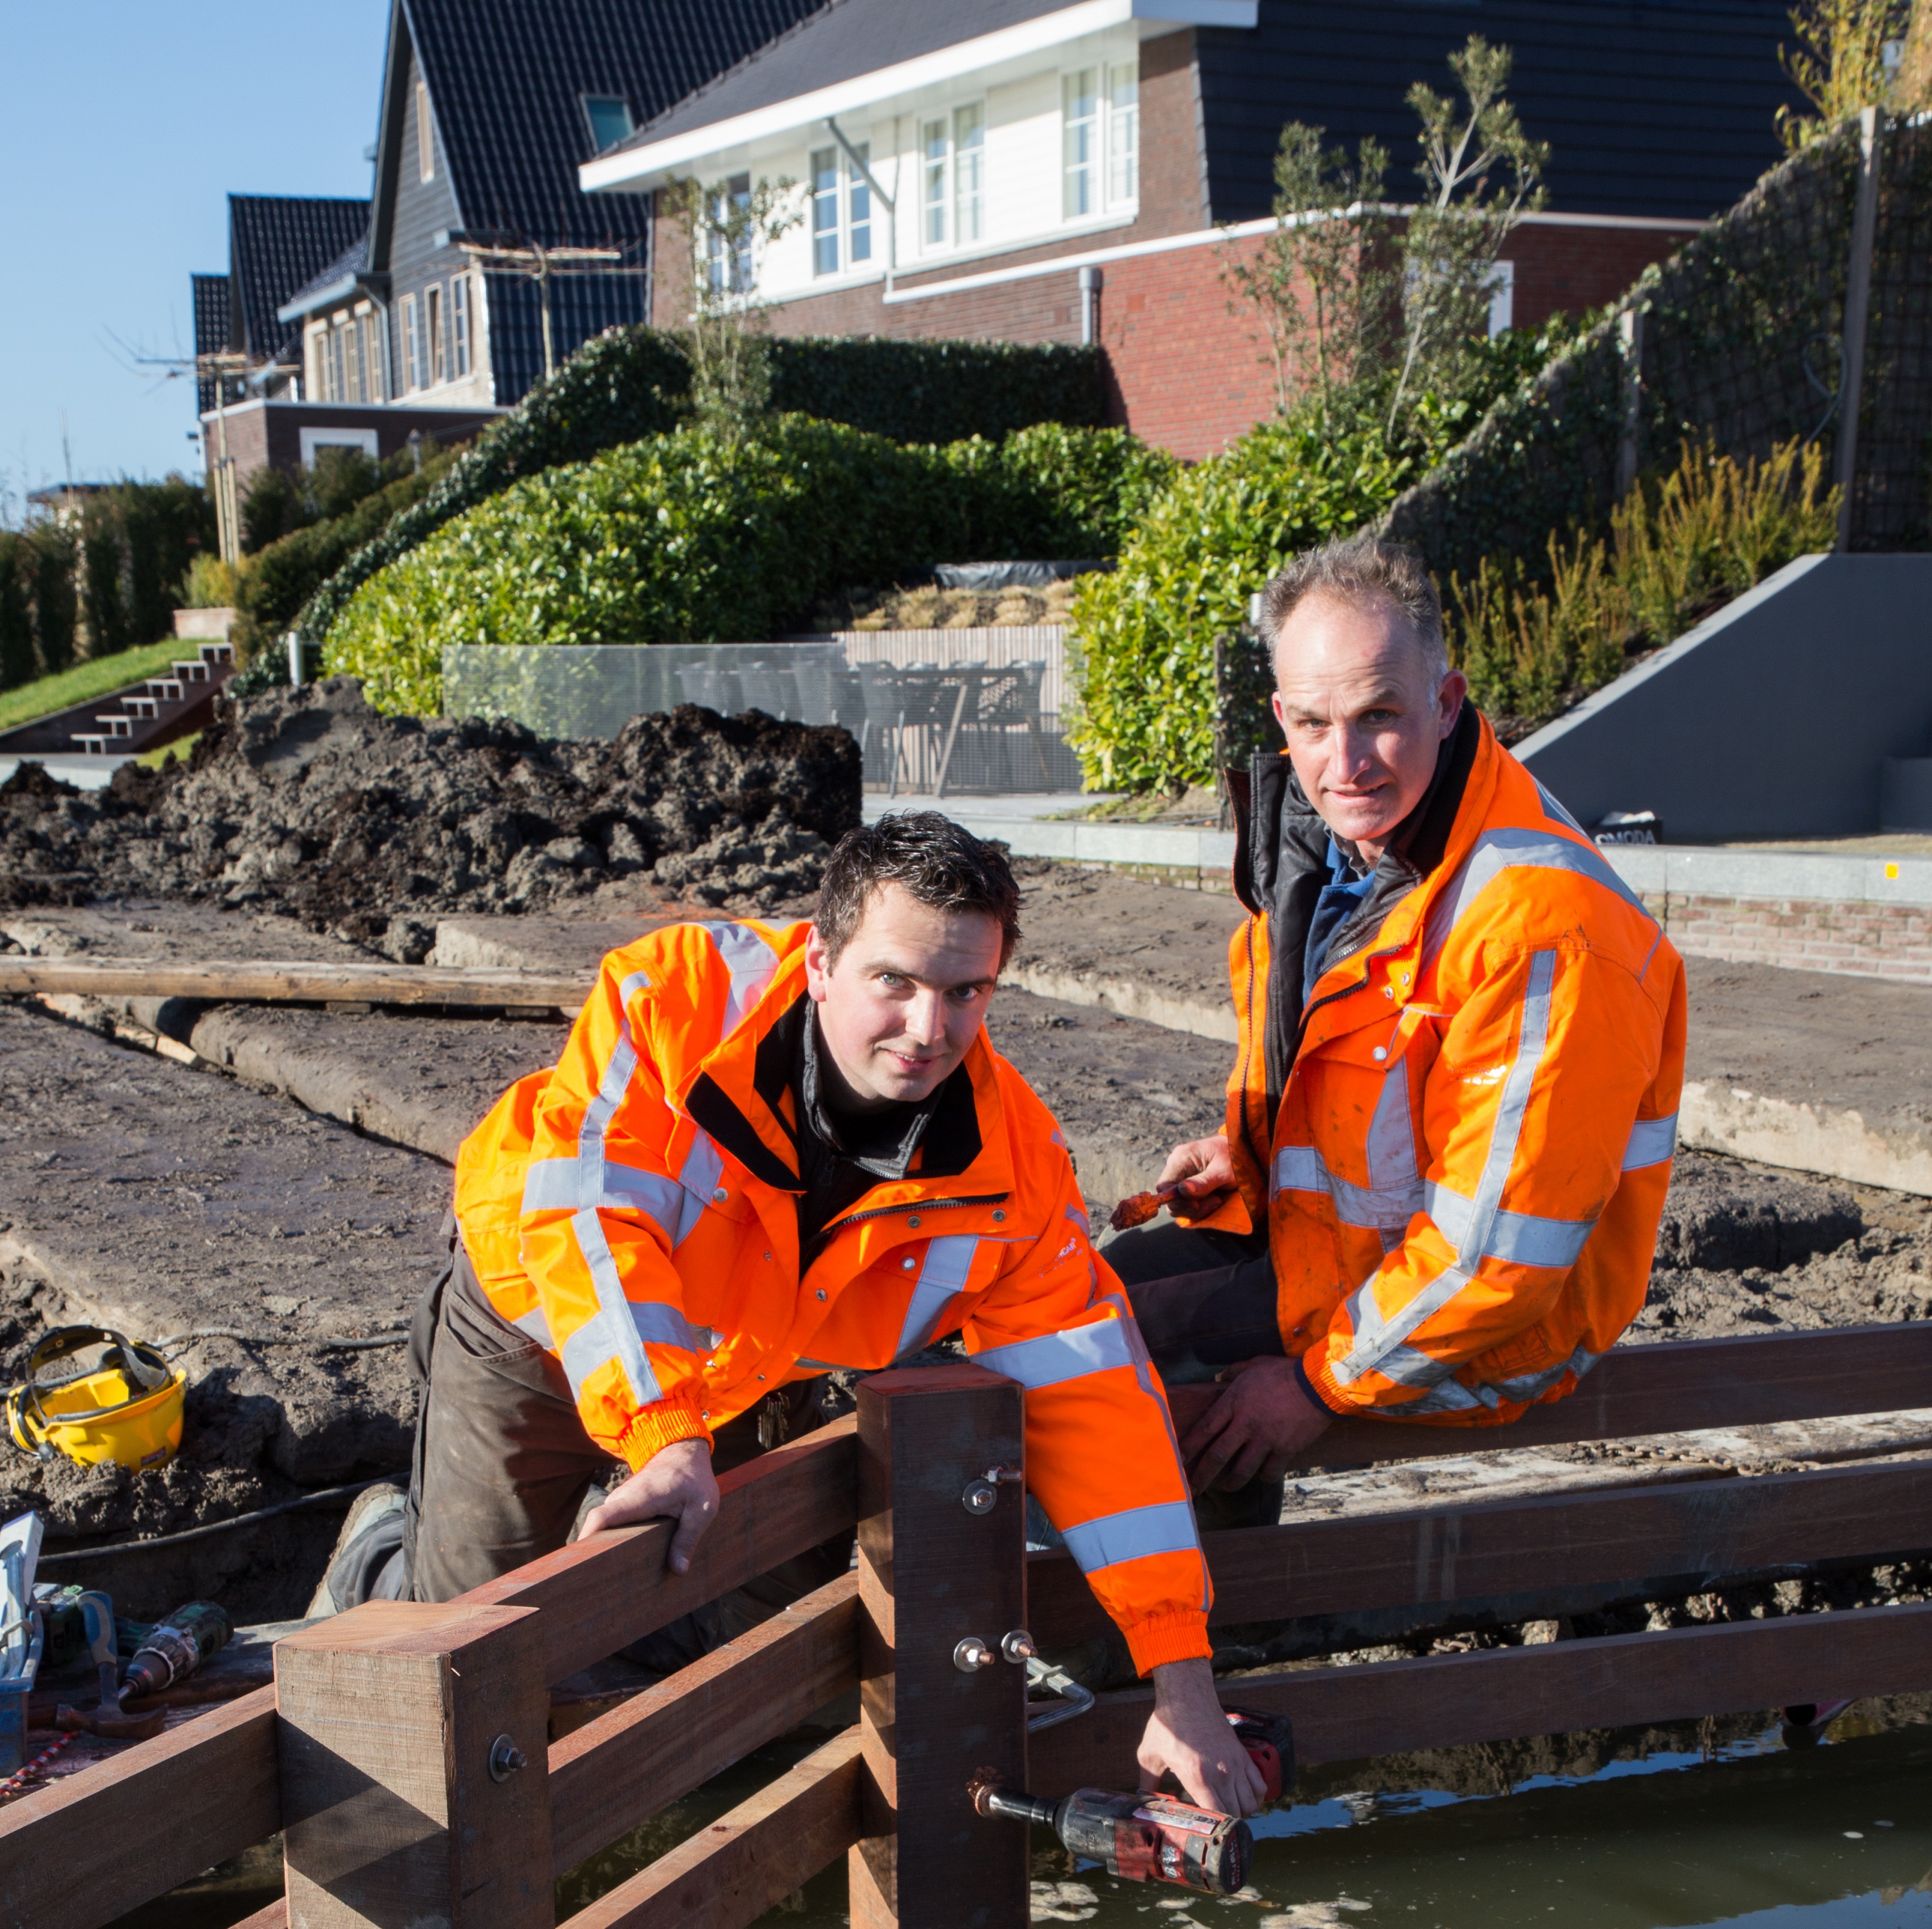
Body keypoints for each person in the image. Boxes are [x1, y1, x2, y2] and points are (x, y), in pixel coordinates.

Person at [322, 812, 1261, 1814]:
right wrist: (659, 1431)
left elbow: (1098, 1406)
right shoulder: (677, 1000)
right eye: (893, 982)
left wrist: (1182, 1676)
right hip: (542, 1324)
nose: (927, 1030)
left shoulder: (1015, 1175)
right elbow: (590, 1222)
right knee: (469, 1651)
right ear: (820, 961)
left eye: (964, 992)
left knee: (736, 1629)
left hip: (740, 1372)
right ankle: (378, 1551)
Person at [1108, 532, 1685, 1497]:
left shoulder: (1540, 926)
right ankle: (1199, 1605)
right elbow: (1367, 1083)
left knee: (1109, 1354)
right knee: (1079, 1304)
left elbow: (1501, 1254)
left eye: (1380, 715)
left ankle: (1187, 1620)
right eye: (1314, 725)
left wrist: (1316, 1386)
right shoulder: (1335, 853)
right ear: (1281, 716)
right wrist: (1247, 1153)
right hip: (1350, 1261)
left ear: (1446, 703)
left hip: (1480, 1332)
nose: (1347, 762)